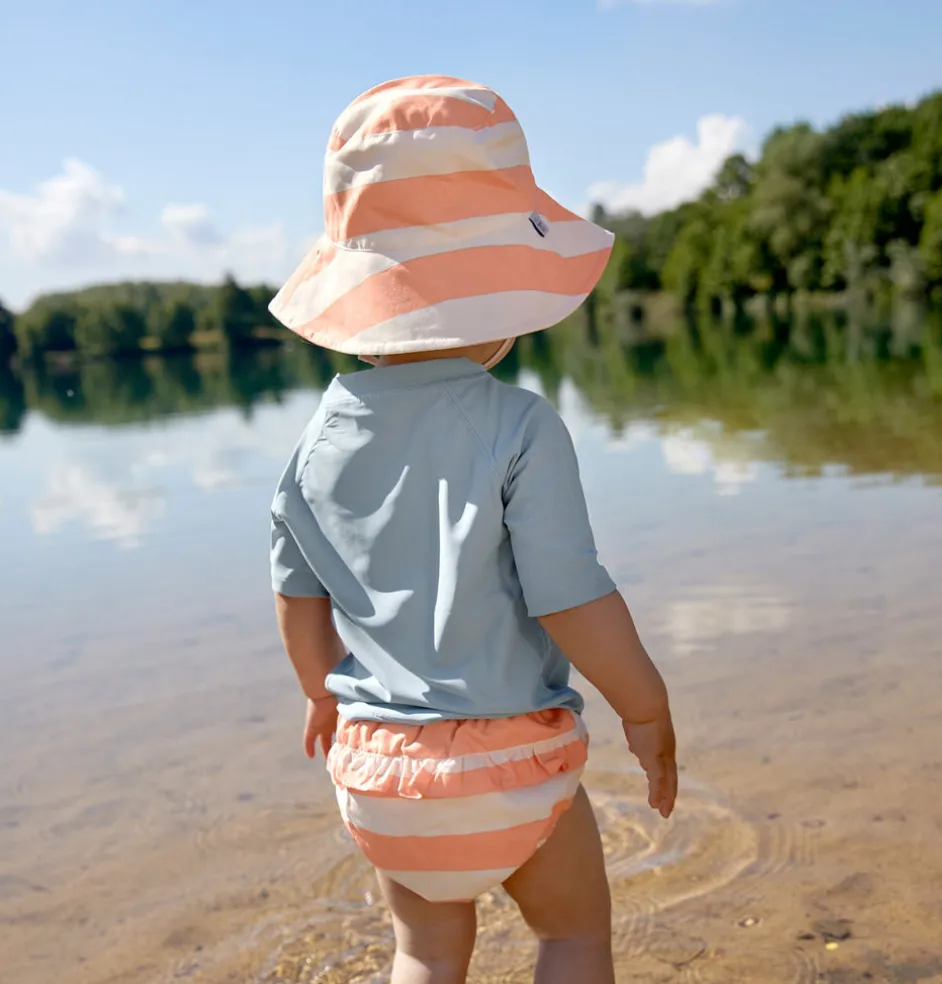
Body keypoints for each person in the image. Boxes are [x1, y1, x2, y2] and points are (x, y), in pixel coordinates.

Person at [269, 75, 677, 984]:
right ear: (505, 303)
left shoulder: (311, 446)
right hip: (511, 762)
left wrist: (320, 695)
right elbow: (571, 596)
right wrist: (644, 707)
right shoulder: (520, 425)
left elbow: (299, 604)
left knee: (423, 951)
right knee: (571, 937)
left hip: (379, 777)